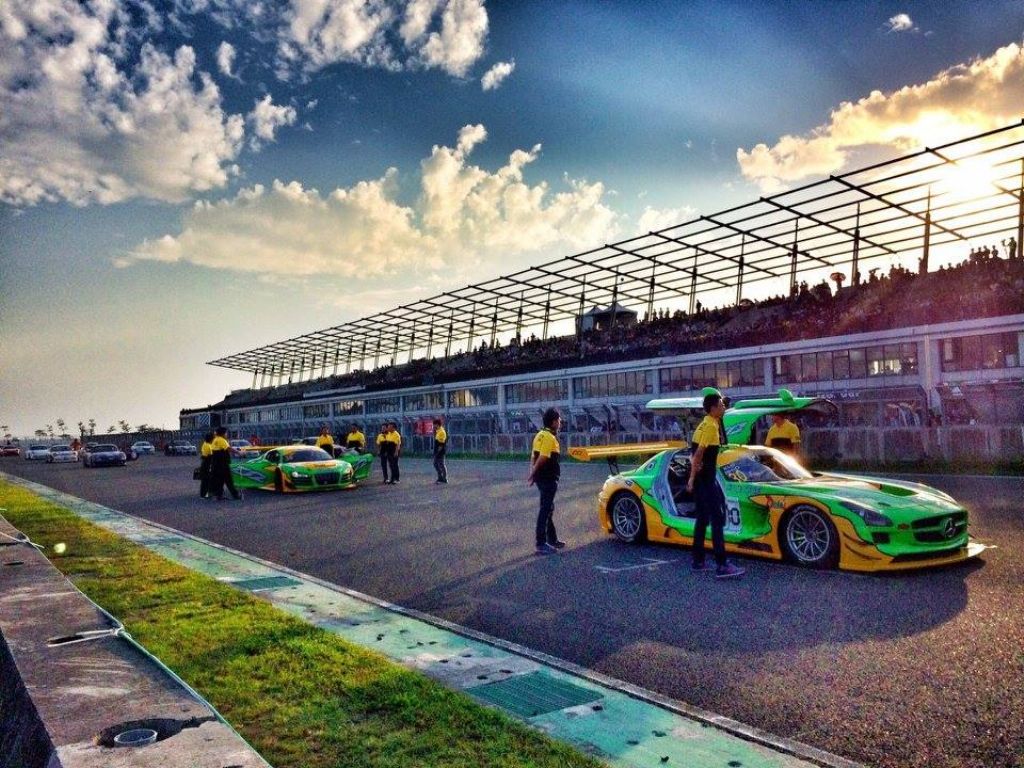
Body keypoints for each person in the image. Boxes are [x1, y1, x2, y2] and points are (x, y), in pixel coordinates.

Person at [685, 391, 744, 579]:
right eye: (721, 405)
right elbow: (699, 453)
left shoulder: (704, 423)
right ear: (713, 408)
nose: (724, 407)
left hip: (702, 478)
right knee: (717, 518)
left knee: (702, 518)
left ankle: (698, 561)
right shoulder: (710, 426)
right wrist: (691, 478)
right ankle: (722, 564)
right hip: (706, 479)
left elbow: (693, 453)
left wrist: (693, 478)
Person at [527, 408, 565, 555]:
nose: (560, 422)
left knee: (548, 508)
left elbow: (533, 457)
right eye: (559, 420)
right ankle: (541, 543)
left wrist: (533, 473)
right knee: (545, 509)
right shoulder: (549, 437)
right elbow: (543, 457)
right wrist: (533, 473)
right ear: (554, 422)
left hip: (541, 478)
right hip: (548, 478)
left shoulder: (539, 435)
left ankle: (552, 539)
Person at [210, 426, 242, 501]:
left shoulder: (215, 439)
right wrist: (239, 452)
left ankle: (219, 496)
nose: (227, 434)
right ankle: (236, 495)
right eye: (226, 433)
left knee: (220, 480)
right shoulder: (222, 440)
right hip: (223, 464)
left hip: (216, 463)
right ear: (223, 433)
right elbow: (228, 448)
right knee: (229, 480)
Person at [198, 431, 214, 499]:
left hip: (204, 463)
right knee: (206, 481)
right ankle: (204, 495)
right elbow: (211, 456)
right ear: (211, 439)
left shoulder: (205, 443)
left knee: (205, 481)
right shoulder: (208, 446)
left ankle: (205, 494)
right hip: (207, 464)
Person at [432, 417, 448, 483]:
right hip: (437, 451)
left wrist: (437, 453)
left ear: (437, 424)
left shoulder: (441, 432)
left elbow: (441, 445)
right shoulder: (438, 431)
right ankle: (440, 477)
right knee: (435, 464)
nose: (433, 426)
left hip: (440, 451)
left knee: (441, 464)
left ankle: (444, 478)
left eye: (434, 424)